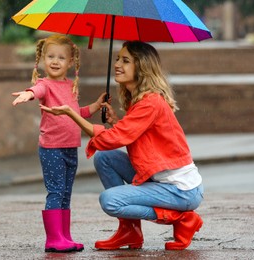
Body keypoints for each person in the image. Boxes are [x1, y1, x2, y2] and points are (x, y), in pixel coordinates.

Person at [40, 41, 204, 251]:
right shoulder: (142, 100)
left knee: (110, 201)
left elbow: (112, 138)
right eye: (118, 58)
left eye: (125, 61)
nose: (117, 64)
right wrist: (116, 122)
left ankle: (180, 218)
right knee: (104, 157)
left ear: (142, 67)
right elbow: (136, 137)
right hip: (158, 177)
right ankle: (130, 231)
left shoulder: (150, 102)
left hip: (181, 191)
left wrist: (71, 114)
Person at [11, 34, 105, 253]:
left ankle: (65, 235)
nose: (55, 61)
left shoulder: (70, 86)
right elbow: (38, 91)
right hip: (52, 148)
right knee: (55, 191)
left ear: (70, 62)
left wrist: (95, 105)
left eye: (61, 58)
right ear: (43, 59)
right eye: (50, 56)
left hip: (70, 147)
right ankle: (53, 238)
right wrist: (28, 93)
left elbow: (76, 114)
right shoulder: (45, 84)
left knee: (66, 193)